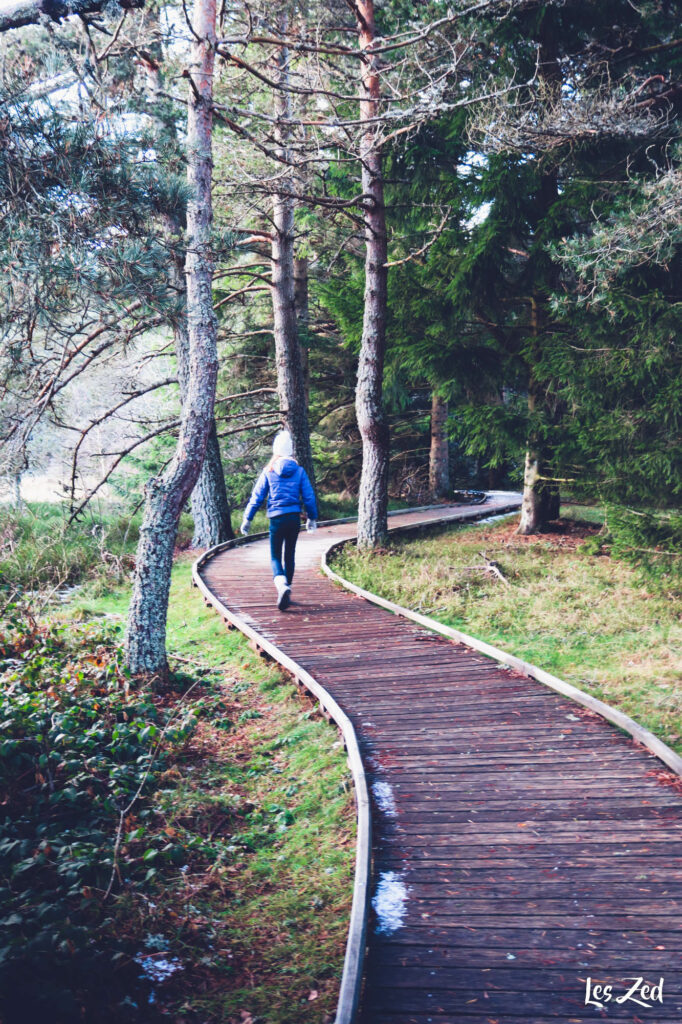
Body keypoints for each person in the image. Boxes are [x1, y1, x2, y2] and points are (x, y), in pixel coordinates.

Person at [240, 430, 318, 610]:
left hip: (276, 518)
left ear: (276, 450)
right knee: (289, 554)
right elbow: (309, 496)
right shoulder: (299, 471)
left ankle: (281, 585)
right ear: (290, 451)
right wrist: (312, 518)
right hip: (293, 518)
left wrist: (247, 518)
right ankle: (287, 588)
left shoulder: (269, 471)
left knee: (275, 556)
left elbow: (257, 497)